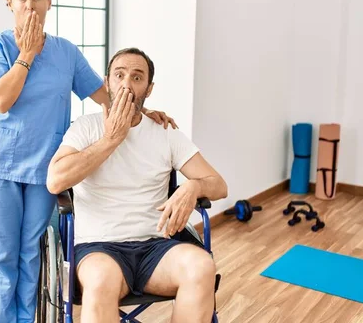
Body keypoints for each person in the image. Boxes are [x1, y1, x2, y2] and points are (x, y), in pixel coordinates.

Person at [0, 0, 177, 323]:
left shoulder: (66, 53)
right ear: (9, 2)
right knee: (2, 258)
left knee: (30, 257)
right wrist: (28, 54)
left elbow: (107, 96)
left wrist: (144, 110)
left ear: (50, 2)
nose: (30, 5)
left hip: (45, 170)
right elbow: (1, 101)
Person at [47, 47, 229, 323]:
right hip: (98, 248)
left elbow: (218, 185)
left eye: (137, 77)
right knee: (100, 281)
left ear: (149, 88)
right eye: (119, 75)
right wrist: (110, 139)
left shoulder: (165, 132)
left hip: (155, 247)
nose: (127, 84)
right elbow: (55, 181)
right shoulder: (86, 128)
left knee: (202, 266)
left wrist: (192, 188)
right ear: (108, 82)